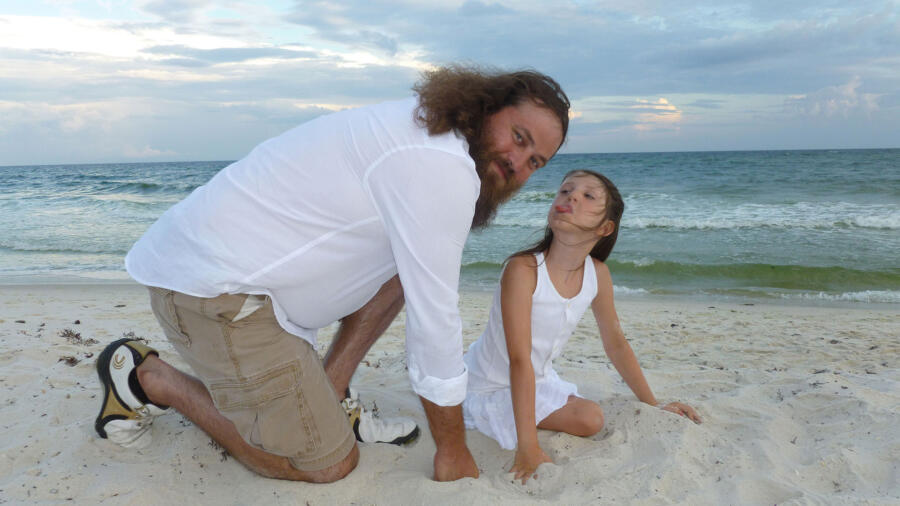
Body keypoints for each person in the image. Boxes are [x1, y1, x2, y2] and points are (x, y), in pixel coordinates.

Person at [93, 65, 570, 483]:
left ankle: (330, 390)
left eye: (535, 162)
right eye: (519, 137)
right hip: (214, 293)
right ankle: (149, 378)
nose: (517, 162)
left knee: (404, 271)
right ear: (488, 107)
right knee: (327, 464)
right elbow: (436, 325)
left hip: (238, 280)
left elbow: (414, 285)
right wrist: (452, 449)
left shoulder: (431, 134)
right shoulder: (441, 167)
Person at [462, 169, 702, 484]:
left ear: (605, 227)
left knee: (590, 418)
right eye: (565, 191)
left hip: (538, 378)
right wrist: (528, 447)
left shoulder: (597, 274)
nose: (571, 196)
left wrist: (654, 404)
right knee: (590, 418)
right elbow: (518, 359)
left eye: (588, 196)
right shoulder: (524, 269)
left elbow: (616, 343)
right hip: (490, 384)